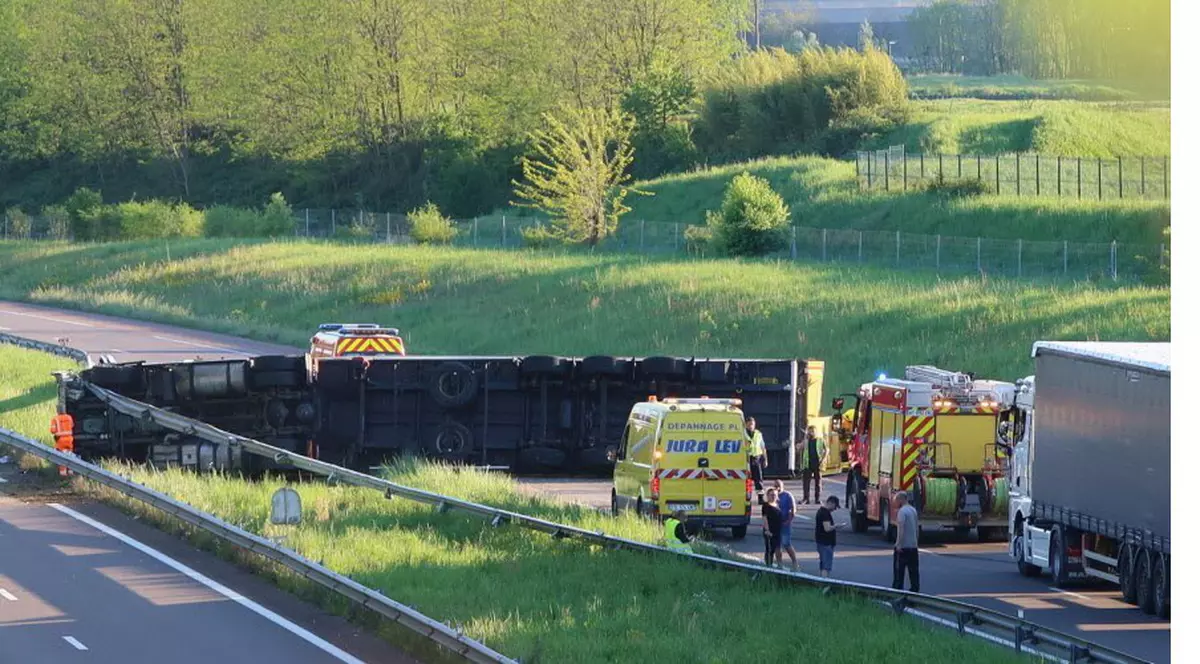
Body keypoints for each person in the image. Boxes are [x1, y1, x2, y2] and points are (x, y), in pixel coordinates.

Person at [892, 491, 920, 592]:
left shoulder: (902, 512)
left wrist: (899, 544)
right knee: (914, 573)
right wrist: (916, 542)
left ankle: (897, 593)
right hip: (913, 547)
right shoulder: (913, 510)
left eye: (896, 500)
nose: (895, 502)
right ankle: (915, 592)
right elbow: (916, 528)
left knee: (899, 573)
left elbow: (901, 529)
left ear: (901, 499)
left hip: (903, 548)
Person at [772, 479, 799, 571]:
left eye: (779, 486)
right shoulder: (772, 496)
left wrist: (789, 520)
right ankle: (779, 564)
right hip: (775, 524)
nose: (777, 488)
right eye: (775, 486)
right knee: (777, 545)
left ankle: (795, 562)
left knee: (786, 544)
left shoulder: (787, 496)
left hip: (785, 523)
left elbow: (793, 509)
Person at [799, 425, 827, 504]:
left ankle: (817, 499)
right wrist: (804, 439)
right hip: (807, 464)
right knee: (806, 483)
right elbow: (799, 447)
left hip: (817, 463)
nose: (810, 433)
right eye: (809, 431)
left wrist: (823, 458)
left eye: (812, 431)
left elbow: (826, 449)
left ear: (815, 432)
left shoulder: (820, 440)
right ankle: (806, 498)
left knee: (818, 482)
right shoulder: (806, 441)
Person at [815, 495, 840, 577]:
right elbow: (827, 528)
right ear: (831, 503)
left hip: (821, 542)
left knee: (823, 564)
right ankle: (825, 584)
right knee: (826, 566)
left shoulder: (821, 511)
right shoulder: (825, 513)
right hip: (826, 543)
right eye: (835, 507)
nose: (835, 509)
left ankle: (822, 582)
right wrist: (836, 526)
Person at [757, 487, 783, 567]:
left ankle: (780, 565)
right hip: (769, 531)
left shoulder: (777, 505)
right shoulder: (766, 505)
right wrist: (767, 530)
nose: (773, 496)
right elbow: (765, 518)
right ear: (767, 496)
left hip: (778, 531)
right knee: (770, 550)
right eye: (771, 495)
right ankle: (769, 565)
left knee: (778, 549)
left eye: (775, 495)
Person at [746, 416, 767, 491]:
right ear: (746, 425)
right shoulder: (743, 434)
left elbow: (763, 447)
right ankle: (747, 498)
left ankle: (760, 498)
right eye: (749, 424)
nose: (751, 426)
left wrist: (765, 459)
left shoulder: (758, 434)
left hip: (756, 459)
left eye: (752, 424)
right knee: (747, 480)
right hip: (746, 460)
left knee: (759, 480)